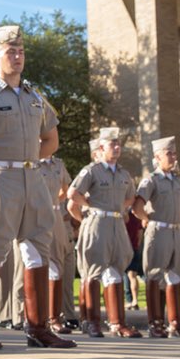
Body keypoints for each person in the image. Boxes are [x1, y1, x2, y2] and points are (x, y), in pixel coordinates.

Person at [0, 25, 75, 350]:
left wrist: (26, 160)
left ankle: (38, 328)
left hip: (33, 177)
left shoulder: (36, 97)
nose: (17, 55)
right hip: (0, 178)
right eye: (11, 51)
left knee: (38, 248)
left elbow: (51, 140)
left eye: (21, 51)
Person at [67, 128, 140, 338]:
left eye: (118, 144)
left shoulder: (124, 174)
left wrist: (121, 208)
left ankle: (118, 323)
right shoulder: (92, 170)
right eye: (112, 144)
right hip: (97, 221)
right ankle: (92, 321)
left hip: (116, 222)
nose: (116, 148)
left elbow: (131, 198)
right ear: (101, 148)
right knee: (93, 271)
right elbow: (73, 193)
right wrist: (89, 208)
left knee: (117, 269)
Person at [132, 136, 180, 338]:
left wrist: (176, 218)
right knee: (154, 276)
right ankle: (155, 323)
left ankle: (176, 323)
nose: (173, 157)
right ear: (157, 157)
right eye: (169, 153)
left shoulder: (177, 181)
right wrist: (149, 219)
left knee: (175, 276)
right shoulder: (151, 180)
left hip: (174, 230)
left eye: (174, 153)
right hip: (158, 231)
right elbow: (137, 206)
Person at [38, 154, 74, 334]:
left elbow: (66, 189)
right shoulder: (33, 160)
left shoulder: (59, 164)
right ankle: (38, 318)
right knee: (39, 265)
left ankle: (54, 317)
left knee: (57, 266)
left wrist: (54, 202)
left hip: (56, 215)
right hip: (39, 214)